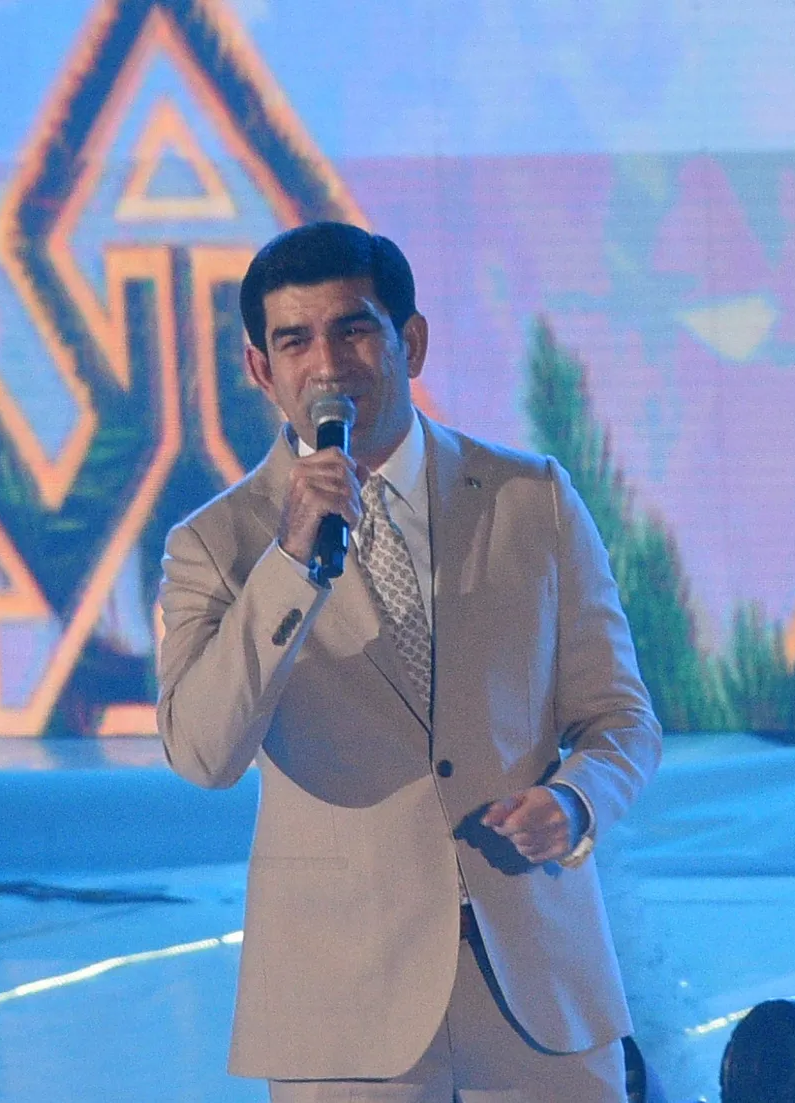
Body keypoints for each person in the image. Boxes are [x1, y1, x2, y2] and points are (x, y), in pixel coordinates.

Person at [156, 221, 662, 1102]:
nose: (327, 365)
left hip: (539, 986)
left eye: (353, 330)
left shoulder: (529, 498)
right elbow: (202, 752)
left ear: (411, 341)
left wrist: (576, 802)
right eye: (295, 341)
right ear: (260, 369)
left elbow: (621, 716)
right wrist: (289, 561)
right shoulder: (216, 543)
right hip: (343, 1003)